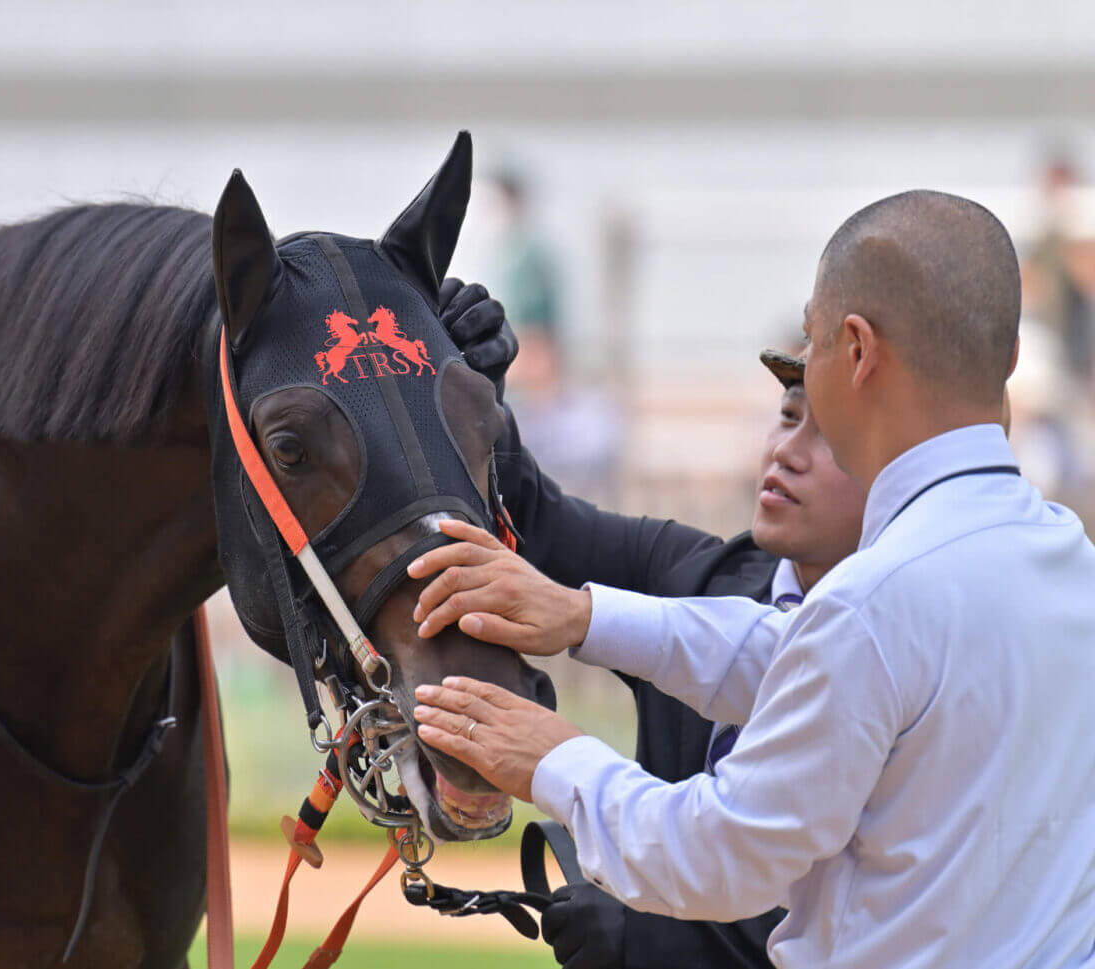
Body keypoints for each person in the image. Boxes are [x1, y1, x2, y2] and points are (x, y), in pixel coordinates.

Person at [418, 191, 1095, 968]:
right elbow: (802, 657)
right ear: (1007, 361)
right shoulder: (1067, 560)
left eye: (810, 342)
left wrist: (553, 756)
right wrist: (582, 617)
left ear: (857, 349)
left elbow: (719, 856)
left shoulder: (876, 602)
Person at [442, 273, 862, 968]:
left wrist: (654, 940)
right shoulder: (701, 575)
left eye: (833, 439)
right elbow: (533, 519)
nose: (787, 450)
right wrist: (471, 393)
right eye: (789, 415)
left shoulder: (909, 637)